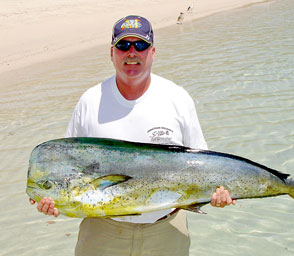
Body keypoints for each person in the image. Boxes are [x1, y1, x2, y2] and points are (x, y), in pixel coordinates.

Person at [30, 15, 235, 256]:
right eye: (123, 45)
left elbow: (203, 164)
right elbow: (68, 168)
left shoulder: (177, 98)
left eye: (140, 45)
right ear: (111, 53)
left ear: (153, 52)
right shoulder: (89, 101)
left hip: (166, 230)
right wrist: (53, 202)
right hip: (102, 231)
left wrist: (220, 193)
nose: (131, 52)